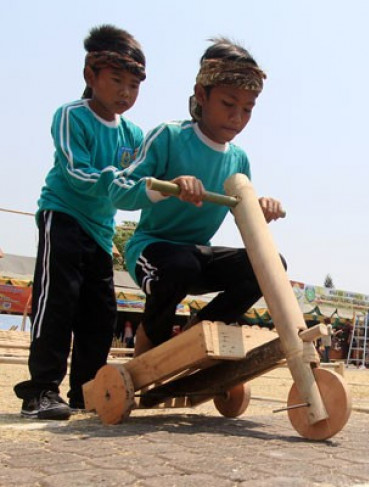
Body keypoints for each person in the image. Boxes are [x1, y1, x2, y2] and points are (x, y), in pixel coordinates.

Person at [109, 37, 284, 354]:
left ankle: (200, 329)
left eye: (247, 109)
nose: (237, 117)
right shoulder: (170, 136)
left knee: (271, 264)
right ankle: (150, 343)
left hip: (195, 256)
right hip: (152, 254)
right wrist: (168, 186)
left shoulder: (238, 159)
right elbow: (118, 192)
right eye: (228, 105)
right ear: (202, 95)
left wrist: (261, 208)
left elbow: (245, 218)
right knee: (181, 265)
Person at [13, 25, 147, 420]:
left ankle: (86, 391)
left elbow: (136, 186)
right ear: (91, 76)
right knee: (57, 303)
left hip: (101, 233)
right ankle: (40, 392)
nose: (125, 92)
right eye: (117, 80)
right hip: (65, 217)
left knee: (100, 312)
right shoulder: (72, 116)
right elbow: (77, 173)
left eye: (134, 86)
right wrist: (118, 181)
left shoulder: (133, 134)